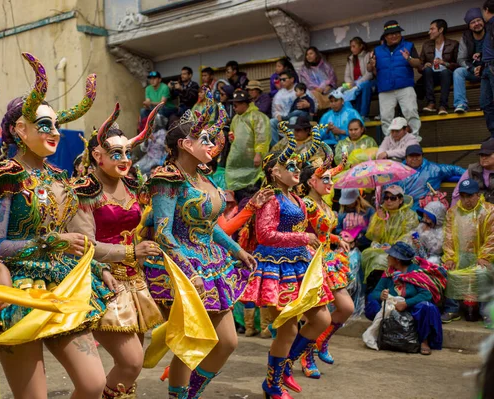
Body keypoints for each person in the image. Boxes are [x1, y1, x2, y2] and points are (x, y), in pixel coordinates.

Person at [0, 53, 113, 398]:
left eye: (55, 125)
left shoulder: (59, 178)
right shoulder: (3, 177)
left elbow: (72, 236)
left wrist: (95, 266)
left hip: (64, 286)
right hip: (18, 290)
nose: (54, 132)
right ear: (19, 130)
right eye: (43, 125)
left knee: (94, 383)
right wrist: (54, 242)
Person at [142, 103, 256, 399]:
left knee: (227, 342)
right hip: (183, 268)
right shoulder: (167, 178)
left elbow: (209, 226)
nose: (212, 145)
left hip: (212, 264)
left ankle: (189, 394)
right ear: (184, 143)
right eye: (204, 139)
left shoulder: (204, 177)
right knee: (192, 341)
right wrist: (189, 270)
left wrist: (236, 250)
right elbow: (164, 233)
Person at [68, 104, 166, 398]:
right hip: (102, 282)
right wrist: (131, 253)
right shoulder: (85, 191)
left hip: (135, 282)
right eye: (116, 154)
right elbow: (86, 246)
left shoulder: (134, 186)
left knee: (132, 369)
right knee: (131, 361)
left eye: (127, 153)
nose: (125, 160)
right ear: (97, 156)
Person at [240, 122, 331, 398]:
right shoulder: (271, 199)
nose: (295, 170)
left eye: (296, 167)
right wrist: (303, 239)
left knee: (322, 319)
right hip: (276, 268)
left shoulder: (298, 199)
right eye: (289, 166)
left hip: (299, 266)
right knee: (289, 327)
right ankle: (273, 383)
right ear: (274, 172)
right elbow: (266, 235)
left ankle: (286, 366)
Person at [299, 151, 354, 378]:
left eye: (331, 178)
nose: (331, 182)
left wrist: (337, 239)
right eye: (326, 178)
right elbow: (300, 233)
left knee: (346, 308)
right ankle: (306, 354)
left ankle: (321, 342)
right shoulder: (306, 205)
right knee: (316, 317)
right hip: (311, 263)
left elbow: (322, 234)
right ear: (312, 181)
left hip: (328, 260)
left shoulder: (323, 204)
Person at [366, 242, 444, 355]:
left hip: (411, 308)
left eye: (390, 255)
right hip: (392, 307)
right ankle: (383, 334)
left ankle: (424, 340)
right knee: (371, 302)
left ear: (397, 259)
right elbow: (375, 292)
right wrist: (381, 295)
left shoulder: (416, 272)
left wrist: (406, 303)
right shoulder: (389, 272)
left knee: (427, 307)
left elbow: (426, 294)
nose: (387, 257)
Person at [441, 179, 494, 323]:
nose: (466, 200)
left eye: (470, 196)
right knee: (449, 270)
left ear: (478, 195)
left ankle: (486, 311)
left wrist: (485, 256)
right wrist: (450, 257)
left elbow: (492, 237)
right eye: (463, 196)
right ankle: (452, 310)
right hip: (460, 256)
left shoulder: (489, 211)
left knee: (482, 272)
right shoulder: (452, 212)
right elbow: (449, 237)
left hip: (483, 256)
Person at [367, 20, 422, 136]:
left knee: (411, 112)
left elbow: (418, 63)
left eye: (397, 32)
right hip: (385, 88)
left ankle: (414, 139)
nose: (395, 35)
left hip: (405, 86)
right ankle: (390, 142)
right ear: (385, 36)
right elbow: (369, 69)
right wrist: (371, 64)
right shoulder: (377, 50)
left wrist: (409, 58)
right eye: (391, 34)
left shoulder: (408, 46)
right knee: (386, 117)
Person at [362, 185, 420, 290]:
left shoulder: (410, 215)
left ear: (401, 200)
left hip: (400, 252)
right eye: (386, 198)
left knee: (379, 260)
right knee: (369, 257)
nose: (388, 201)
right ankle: (374, 291)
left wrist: (393, 248)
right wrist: (379, 220)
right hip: (382, 249)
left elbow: (408, 236)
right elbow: (374, 237)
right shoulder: (381, 213)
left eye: (393, 198)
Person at [225, 89, 271, 195]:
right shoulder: (236, 118)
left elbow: (262, 137)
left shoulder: (257, 116)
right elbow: (233, 134)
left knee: (253, 188)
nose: (234, 107)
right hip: (237, 159)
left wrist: (258, 154)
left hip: (253, 159)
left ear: (245, 104)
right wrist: (231, 137)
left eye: (236, 104)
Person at [398, 144, 465, 209]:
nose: (415, 158)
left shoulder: (433, 169)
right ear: (406, 158)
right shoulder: (397, 171)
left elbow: (453, 169)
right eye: (411, 156)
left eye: (417, 155)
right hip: (403, 210)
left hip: (427, 212)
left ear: (422, 156)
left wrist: (469, 174)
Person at [419, 19, 459, 115]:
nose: (429, 32)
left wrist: (444, 63)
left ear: (441, 30)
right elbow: (420, 65)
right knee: (427, 70)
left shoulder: (453, 44)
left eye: (432, 29)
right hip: (432, 76)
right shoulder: (426, 45)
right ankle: (431, 103)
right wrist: (424, 66)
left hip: (448, 76)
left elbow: (459, 64)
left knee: (445, 72)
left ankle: (443, 105)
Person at [454, 8, 485, 114]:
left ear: (483, 21)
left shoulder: (491, 33)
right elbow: (461, 59)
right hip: (473, 70)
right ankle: (461, 103)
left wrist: (484, 67)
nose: (476, 24)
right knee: (458, 72)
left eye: (478, 20)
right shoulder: (466, 37)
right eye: (473, 22)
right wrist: (473, 68)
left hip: (489, 69)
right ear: (469, 26)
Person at [453, 138, 494, 204]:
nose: (483, 158)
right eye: (481, 154)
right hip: (476, 211)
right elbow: (457, 194)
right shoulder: (472, 170)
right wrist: (455, 213)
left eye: (487, 154)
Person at [344, 37, 374, 119]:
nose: (352, 49)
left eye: (354, 46)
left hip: (367, 83)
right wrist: (350, 83)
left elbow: (369, 74)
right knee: (341, 89)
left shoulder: (367, 55)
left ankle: (363, 114)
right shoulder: (350, 59)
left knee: (363, 86)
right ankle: (349, 117)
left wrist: (357, 83)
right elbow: (346, 75)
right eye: (351, 47)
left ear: (361, 46)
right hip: (353, 84)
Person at [270, 70, 299, 146]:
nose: (281, 82)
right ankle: (276, 147)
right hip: (283, 118)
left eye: (284, 79)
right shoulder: (279, 93)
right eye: (280, 80)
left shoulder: (300, 88)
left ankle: (290, 145)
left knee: (293, 119)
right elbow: (275, 109)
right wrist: (277, 116)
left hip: (298, 117)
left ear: (292, 79)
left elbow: (314, 105)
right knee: (271, 122)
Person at [479, 1, 494, 138]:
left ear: (487, 9)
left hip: (492, 66)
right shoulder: (489, 26)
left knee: (488, 103)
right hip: (486, 67)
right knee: (485, 103)